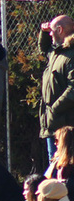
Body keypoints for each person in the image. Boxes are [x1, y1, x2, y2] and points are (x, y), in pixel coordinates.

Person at [38, 15, 74, 161]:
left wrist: (54, 108)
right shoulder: (55, 52)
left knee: (64, 165)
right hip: (53, 122)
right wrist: (43, 31)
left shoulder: (70, 55)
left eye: (52, 31)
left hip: (64, 123)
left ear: (60, 30)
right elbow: (43, 48)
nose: (50, 34)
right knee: (54, 163)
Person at [45, 126, 74, 197]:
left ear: (64, 143)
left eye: (57, 141)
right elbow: (46, 178)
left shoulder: (71, 164)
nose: (55, 144)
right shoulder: (57, 160)